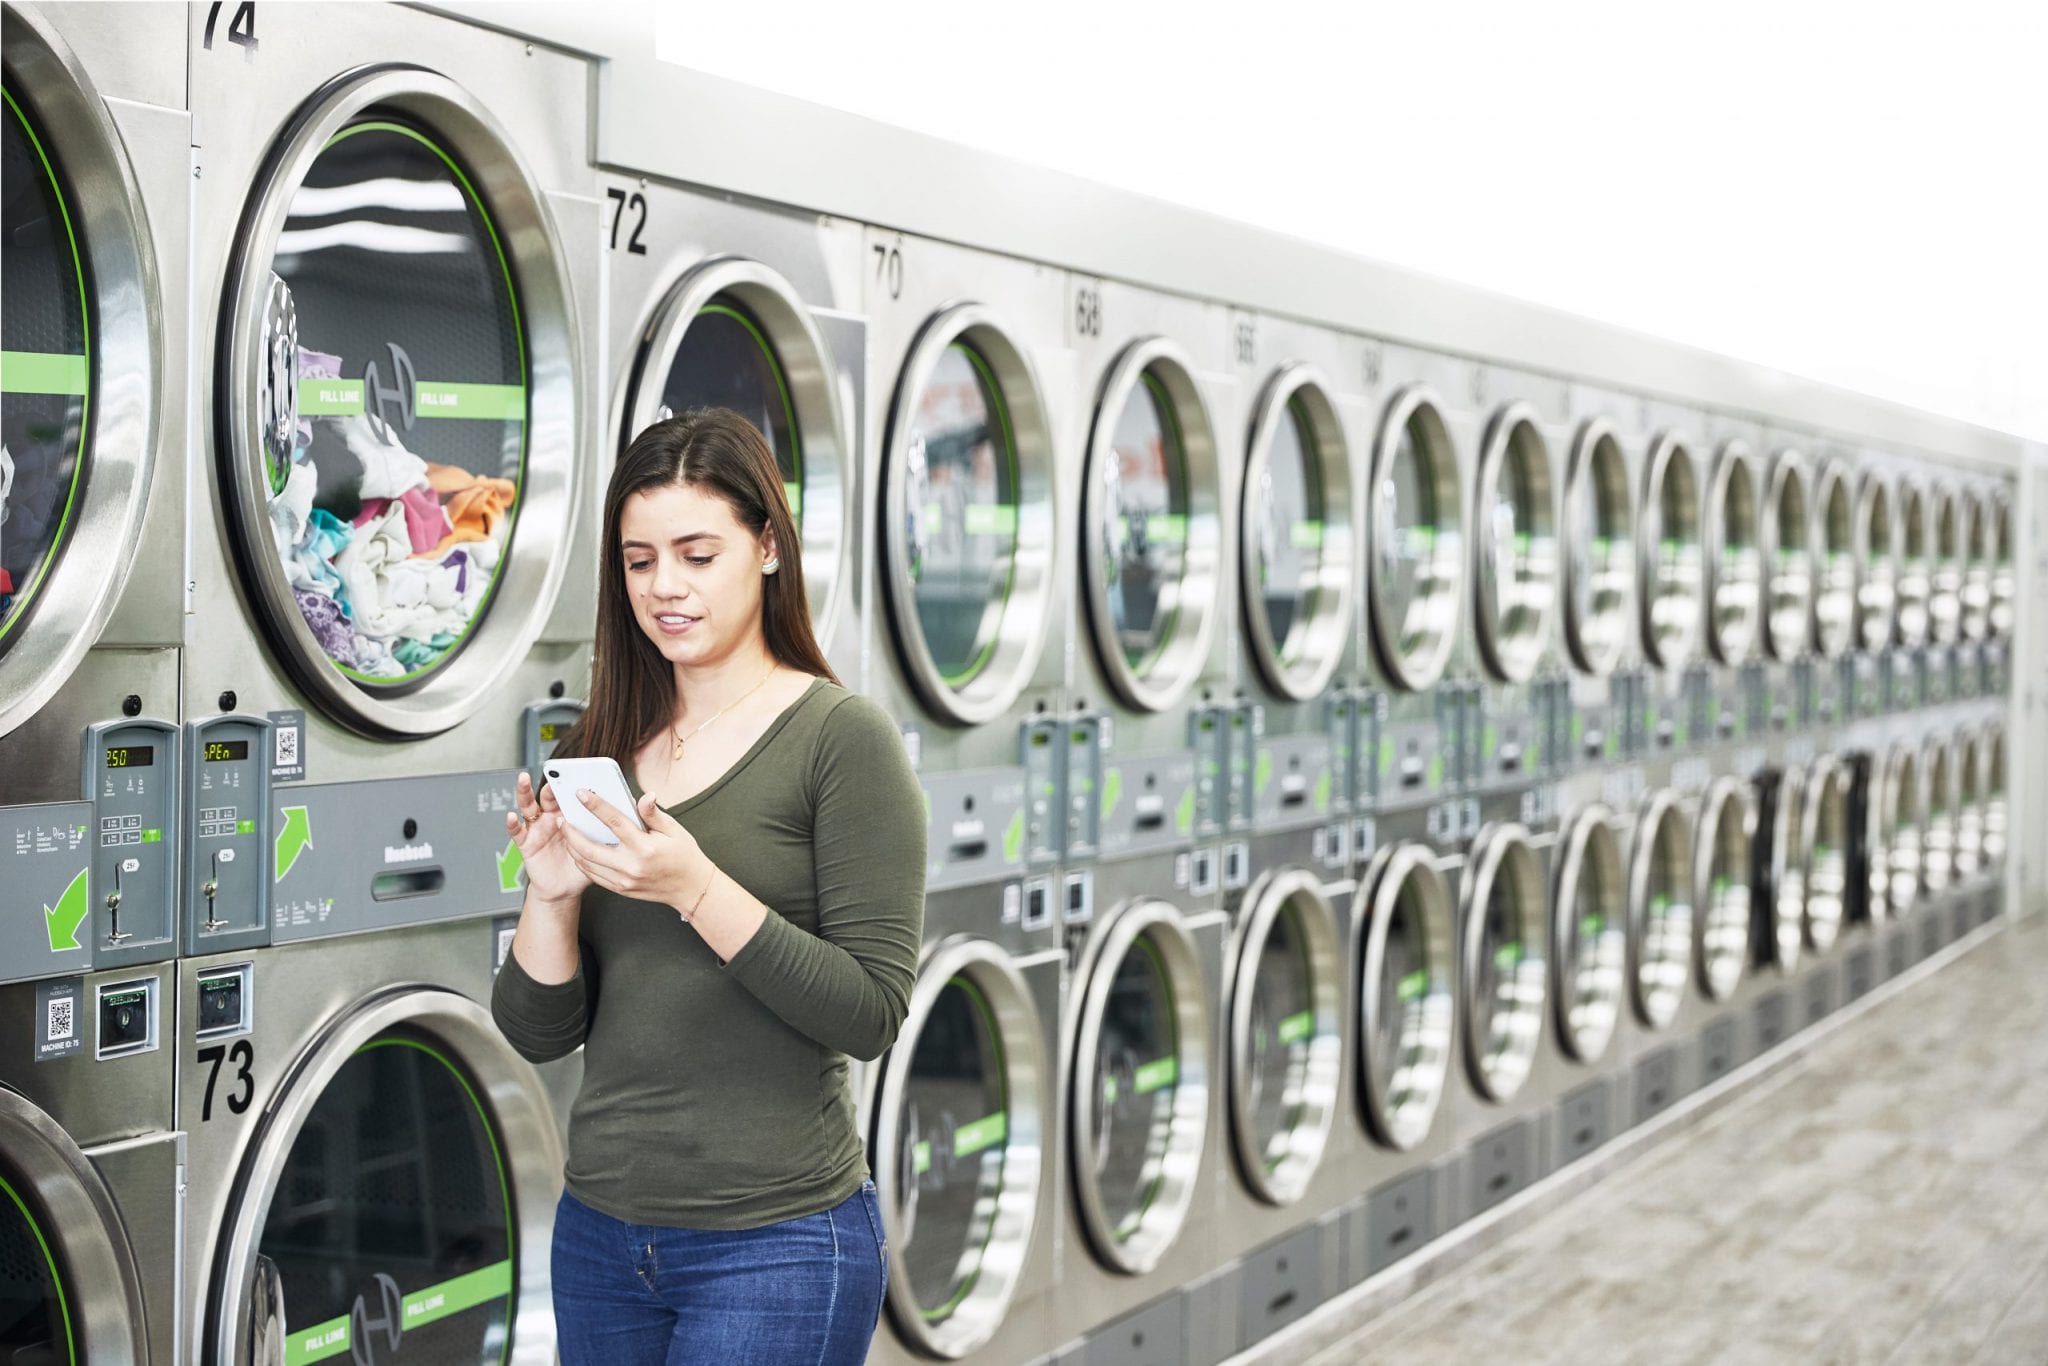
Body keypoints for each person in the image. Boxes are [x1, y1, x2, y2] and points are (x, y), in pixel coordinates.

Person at [490, 407, 926, 1364]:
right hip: (602, 1233)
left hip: (776, 1244)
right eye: (640, 561)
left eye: (697, 553)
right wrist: (553, 897)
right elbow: (540, 1033)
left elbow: (871, 1013)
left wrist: (695, 888)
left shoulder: (842, 741)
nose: (665, 588)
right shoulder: (599, 746)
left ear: (766, 547)